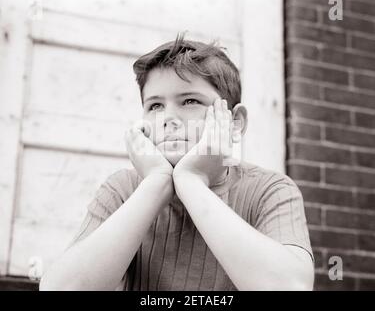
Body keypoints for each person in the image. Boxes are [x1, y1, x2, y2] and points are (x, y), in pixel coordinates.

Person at [40, 35, 314, 291]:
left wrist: (191, 182)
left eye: (190, 101)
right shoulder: (123, 190)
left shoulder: (269, 190)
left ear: (234, 122)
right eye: (155, 106)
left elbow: (290, 286)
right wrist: (157, 183)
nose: (168, 117)